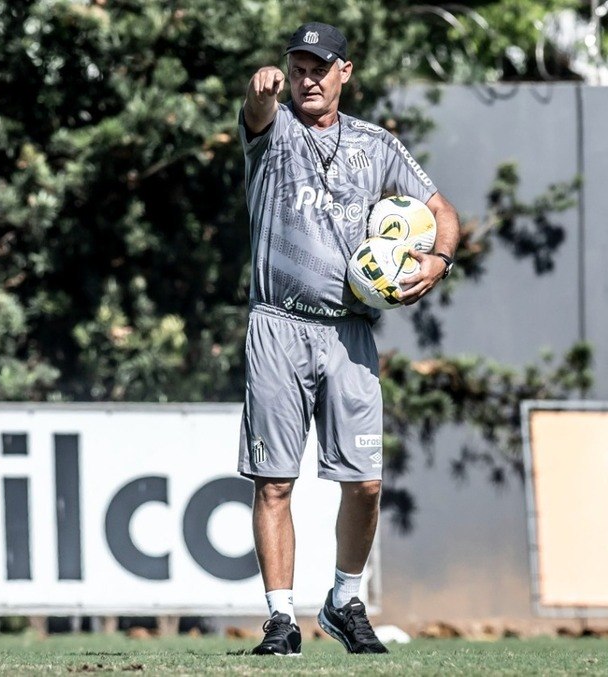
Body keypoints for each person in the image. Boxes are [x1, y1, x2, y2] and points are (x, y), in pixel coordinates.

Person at [237, 21, 460, 656]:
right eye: (297, 67)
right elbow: (255, 108)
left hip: (350, 332)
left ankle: (343, 599)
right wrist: (261, 90)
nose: (306, 77)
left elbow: (443, 213)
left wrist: (436, 263)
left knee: (363, 482)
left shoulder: (376, 143)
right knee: (274, 480)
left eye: (319, 67)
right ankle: (280, 619)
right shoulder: (272, 130)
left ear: (345, 71)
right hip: (278, 322)